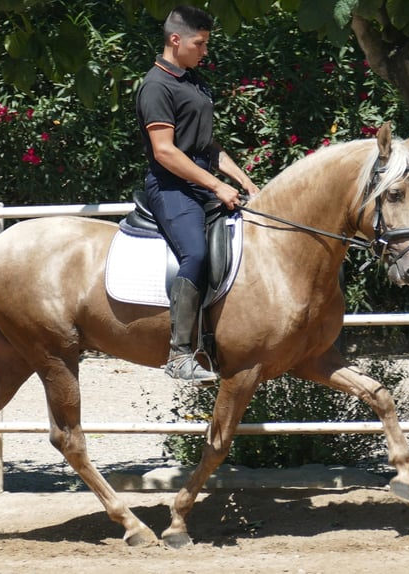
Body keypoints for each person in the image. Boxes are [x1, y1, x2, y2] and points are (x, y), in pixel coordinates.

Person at [136, 5, 260, 384]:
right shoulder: (156, 85)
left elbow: (208, 147)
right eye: (199, 43)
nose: (205, 51)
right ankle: (179, 354)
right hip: (170, 187)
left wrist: (247, 183)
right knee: (197, 253)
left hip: (200, 185)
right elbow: (166, 151)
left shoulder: (194, 83)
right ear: (176, 40)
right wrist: (217, 186)